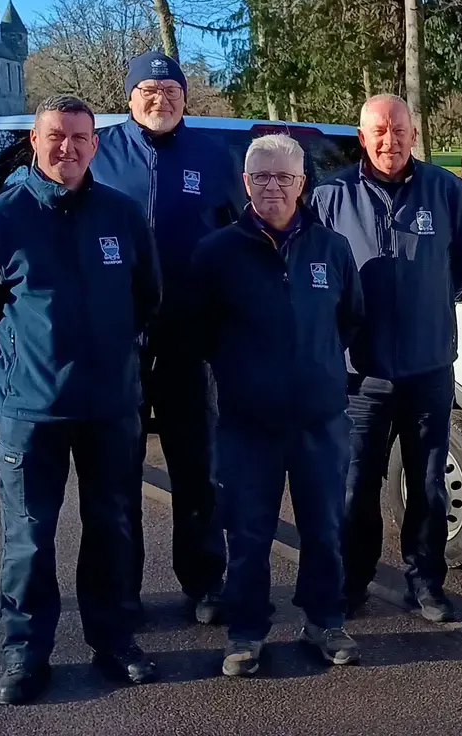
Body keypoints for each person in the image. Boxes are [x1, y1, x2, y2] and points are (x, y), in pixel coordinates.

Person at [0, 95, 162, 705]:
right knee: (28, 536)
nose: (67, 148)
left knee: (113, 530)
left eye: (79, 137)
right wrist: (24, 363)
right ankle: (26, 652)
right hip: (31, 413)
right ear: (35, 142)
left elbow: (147, 300)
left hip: (110, 408)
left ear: (95, 145)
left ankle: (115, 640)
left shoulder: (123, 217)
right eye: (55, 136)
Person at [190, 133, 365, 676]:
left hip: (319, 422)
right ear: (245, 183)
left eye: (283, 177)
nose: (272, 186)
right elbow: (199, 332)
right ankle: (245, 634)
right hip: (248, 425)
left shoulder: (331, 249)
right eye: (261, 177)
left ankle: (325, 622)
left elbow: (349, 320)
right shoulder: (216, 253)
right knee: (247, 535)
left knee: (324, 530)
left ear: (302, 184)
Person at [312, 94, 462, 623]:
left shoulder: (446, 189)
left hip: (428, 366)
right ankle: (352, 580)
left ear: (414, 133)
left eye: (399, 129)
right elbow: (316, 275)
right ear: (361, 138)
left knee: (428, 480)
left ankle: (426, 582)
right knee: (356, 483)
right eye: (378, 131)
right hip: (358, 374)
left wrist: (427, 301)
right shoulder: (329, 197)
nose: (390, 140)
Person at [91, 50, 236, 626]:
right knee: (117, 473)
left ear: (185, 99)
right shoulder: (99, 154)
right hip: (119, 343)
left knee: (197, 469)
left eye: (171, 90)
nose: (161, 98)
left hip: (188, 341)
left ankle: (204, 582)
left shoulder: (213, 156)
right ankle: (123, 592)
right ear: (129, 98)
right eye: (149, 89)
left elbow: (239, 237)